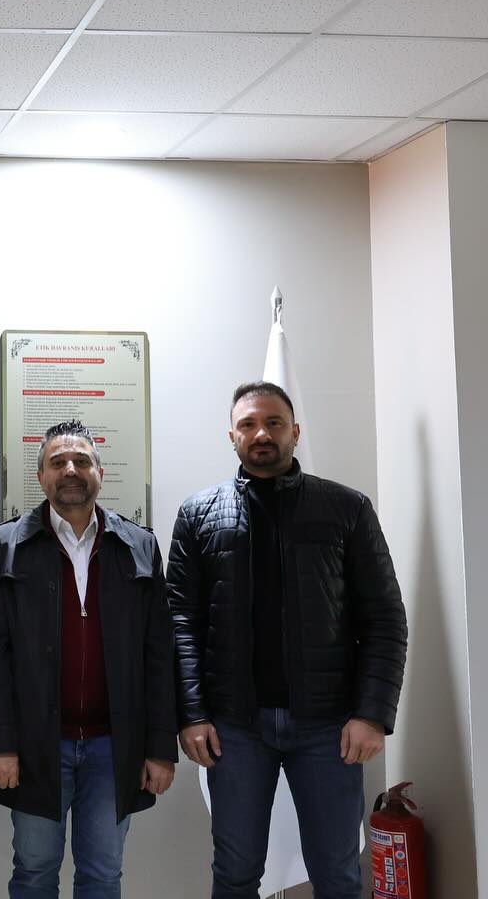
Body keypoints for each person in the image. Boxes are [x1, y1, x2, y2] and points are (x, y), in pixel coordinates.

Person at [168, 381, 408, 899]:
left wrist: (372, 714)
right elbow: (181, 623)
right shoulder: (197, 514)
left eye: (273, 423)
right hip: (234, 727)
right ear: (232, 436)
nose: (262, 434)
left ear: (295, 432)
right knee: (235, 874)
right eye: (249, 424)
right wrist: (192, 713)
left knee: (338, 875)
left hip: (329, 725)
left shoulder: (347, 508)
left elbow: (385, 618)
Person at [0, 420, 176, 899]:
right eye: (58, 462)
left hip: (115, 746)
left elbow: (159, 652)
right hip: (36, 745)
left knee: (103, 874)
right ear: (40, 476)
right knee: (34, 871)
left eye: (81, 461)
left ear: (99, 473)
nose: (70, 470)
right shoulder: (4, 545)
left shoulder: (139, 545)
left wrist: (160, 747)